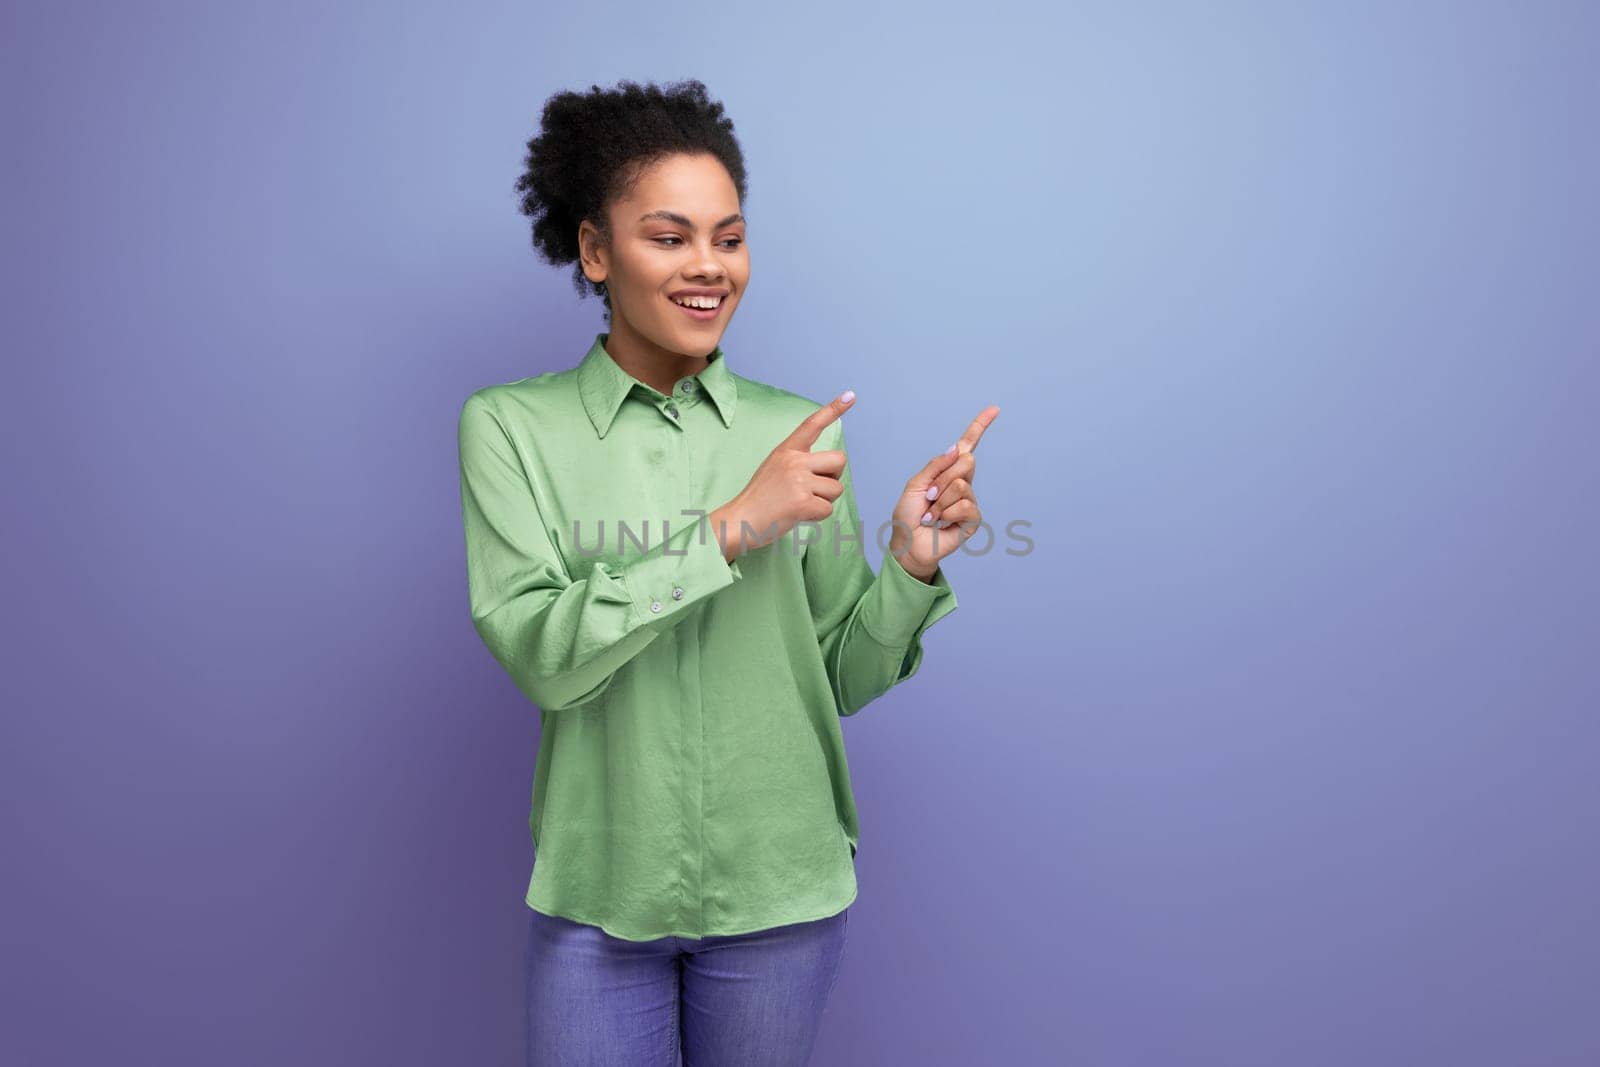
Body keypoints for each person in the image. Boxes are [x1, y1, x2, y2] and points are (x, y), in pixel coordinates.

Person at [457, 78, 998, 1066]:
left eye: (728, 236)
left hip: (781, 896)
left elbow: (837, 675)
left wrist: (911, 567)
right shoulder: (508, 427)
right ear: (593, 250)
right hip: (599, 892)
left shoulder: (797, 431)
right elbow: (538, 649)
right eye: (669, 236)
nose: (709, 266)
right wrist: (731, 528)